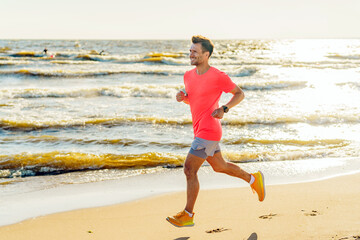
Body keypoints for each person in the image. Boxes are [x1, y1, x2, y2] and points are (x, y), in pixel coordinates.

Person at [166, 35, 265, 228]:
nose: (191, 54)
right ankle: (254, 179)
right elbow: (196, 100)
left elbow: (239, 93)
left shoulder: (218, 76)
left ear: (206, 54)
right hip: (200, 130)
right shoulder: (188, 75)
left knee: (189, 169)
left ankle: (188, 214)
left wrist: (224, 109)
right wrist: (184, 97)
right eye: (190, 51)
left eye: (195, 51)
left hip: (209, 130)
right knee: (220, 166)